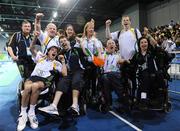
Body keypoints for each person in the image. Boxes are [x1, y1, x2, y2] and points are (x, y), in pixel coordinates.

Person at [17, 43, 67, 131]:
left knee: (35, 86)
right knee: (28, 87)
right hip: (32, 78)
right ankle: (23, 114)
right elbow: (31, 48)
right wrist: (36, 36)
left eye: (56, 51)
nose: (54, 51)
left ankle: (31, 113)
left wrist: (63, 61)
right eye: (52, 50)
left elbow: (65, 73)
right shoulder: (40, 57)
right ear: (47, 52)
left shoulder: (57, 63)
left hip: (44, 80)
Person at [38, 36, 85, 116]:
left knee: (76, 80)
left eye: (65, 40)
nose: (63, 42)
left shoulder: (77, 50)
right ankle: (54, 106)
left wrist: (82, 43)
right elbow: (51, 57)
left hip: (79, 71)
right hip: (68, 74)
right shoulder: (61, 54)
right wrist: (47, 56)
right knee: (62, 81)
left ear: (69, 41)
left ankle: (75, 105)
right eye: (61, 42)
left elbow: (86, 53)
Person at [100, 39, 126, 112]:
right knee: (105, 77)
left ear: (115, 46)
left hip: (116, 75)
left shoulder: (117, 56)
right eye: (109, 43)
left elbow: (121, 61)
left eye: (112, 43)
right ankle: (109, 102)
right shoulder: (103, 55)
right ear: (106, 46)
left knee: (111, 75)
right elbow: (99, 62)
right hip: (106, 76)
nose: (111, 44)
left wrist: (125, 60)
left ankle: (122, 101)